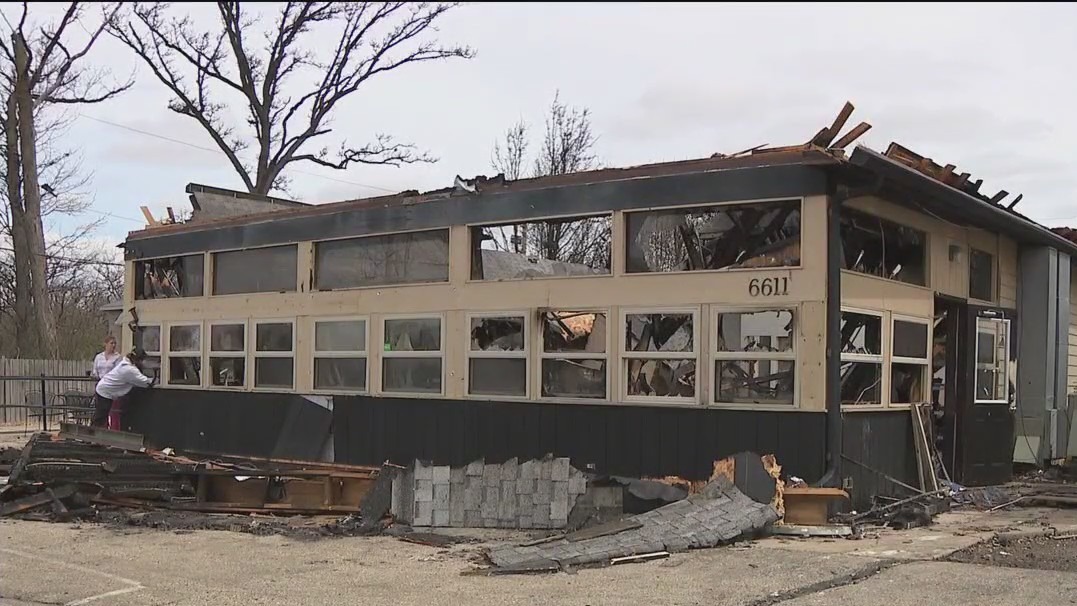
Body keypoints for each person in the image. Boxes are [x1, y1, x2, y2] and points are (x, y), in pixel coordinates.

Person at [94, 347, 155, 431]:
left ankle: (94, 436)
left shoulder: (125, 363)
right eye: (142, 360)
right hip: (105, 391)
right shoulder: (129, 370)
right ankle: (91, 436)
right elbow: (146, 383)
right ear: (137, 360)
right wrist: (155, 379)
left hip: (104, 388)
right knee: (101, 416)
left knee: (101, 416)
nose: (143, 363)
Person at [90, 336, 122, 426]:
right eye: (111, 343)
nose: (113, 345)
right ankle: (100, 426)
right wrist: (95, 376)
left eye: (114, 343)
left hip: (110, 385)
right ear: (105, 344)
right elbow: (95, 370)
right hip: (100, 384)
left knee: (107, 408)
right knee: (100, 407)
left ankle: (98, 426)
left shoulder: (117, 357)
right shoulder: (99, 357)